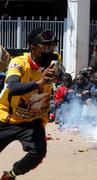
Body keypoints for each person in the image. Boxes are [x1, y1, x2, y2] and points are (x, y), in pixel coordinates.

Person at [0, 27, 58, 180]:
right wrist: (39, 83)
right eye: (45, 47)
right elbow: (12, 87)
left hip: (33, 120)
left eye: (52, 47)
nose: (50, 51)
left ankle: (11, 175)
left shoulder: (55, 60)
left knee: (38, 153)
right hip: (7, 118)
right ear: (32, 46)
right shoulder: (18, 63)